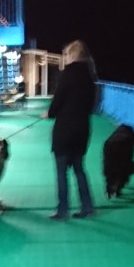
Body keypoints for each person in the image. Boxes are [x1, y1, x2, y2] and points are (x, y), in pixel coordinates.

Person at [46, 40, 97, 219]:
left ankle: (62, 209)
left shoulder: (67, 74)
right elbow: (92, 105)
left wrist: (49, 113)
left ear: (73, 55)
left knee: (61, 171)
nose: (65, 58)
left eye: (66, 54)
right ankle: (87, 206)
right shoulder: (90, 76)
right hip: (82, 128)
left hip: (65, 129)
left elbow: (58, 100)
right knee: (79, 169)